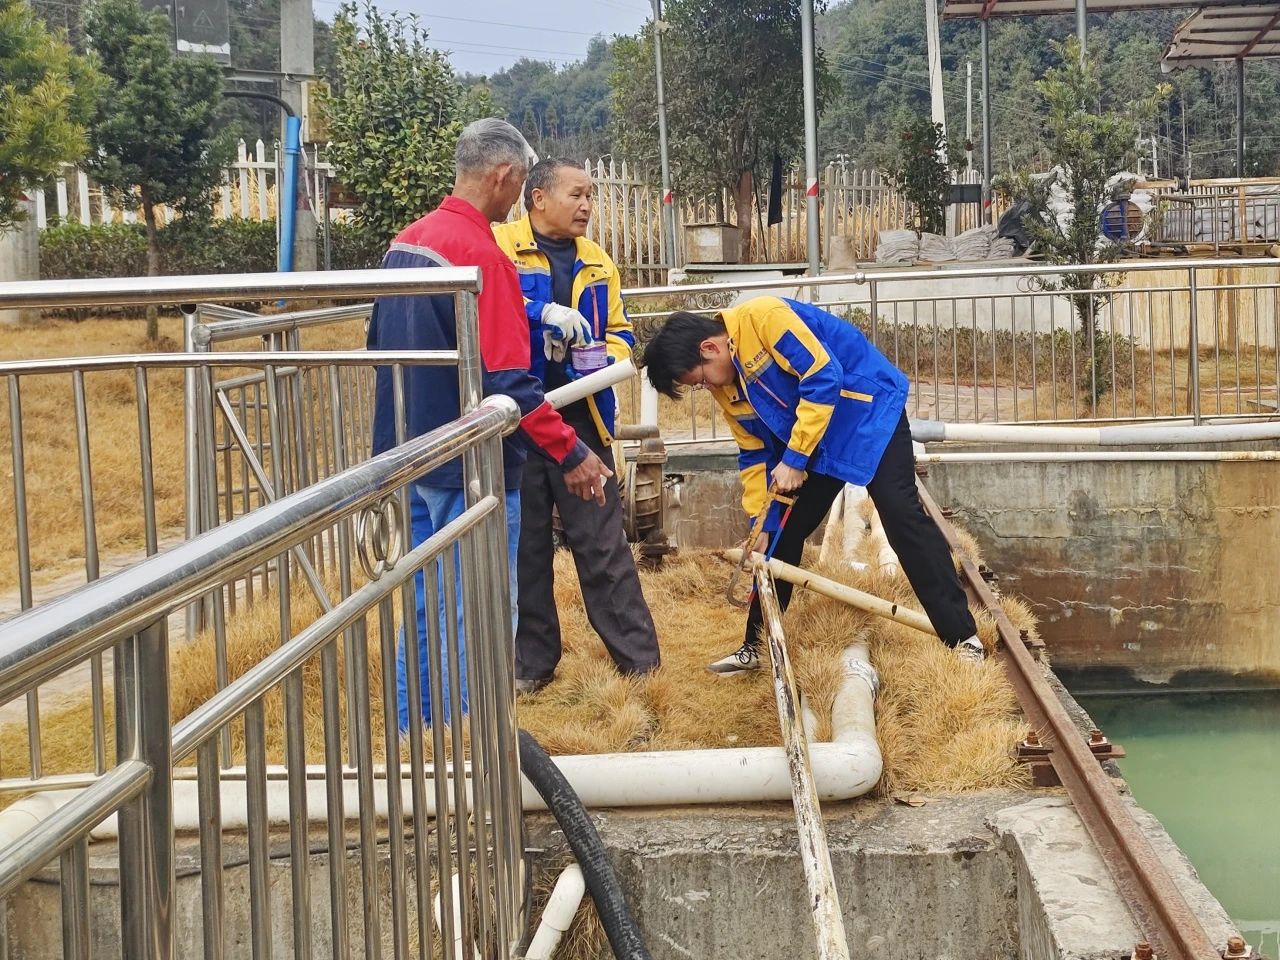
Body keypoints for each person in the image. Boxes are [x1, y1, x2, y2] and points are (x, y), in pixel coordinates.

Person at [367, 120, 613, 730]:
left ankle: (417, 734)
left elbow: (377, 345)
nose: (518, 198)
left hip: (408, 451)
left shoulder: (407, 241)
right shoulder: (484, 256)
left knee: (423, 602)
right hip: (468, 464)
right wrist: (572, 452)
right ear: (504, 175)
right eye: (522, 182)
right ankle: (468, 743)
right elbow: (510, 382)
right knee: (474, 609)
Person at [643, 296, 984, 675]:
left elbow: (823, 377)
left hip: (867, 413)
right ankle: (756, 645)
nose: (707, 388)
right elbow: (753, 453)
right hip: (814, 440)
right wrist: (760, 521)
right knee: (779, 533)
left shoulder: (764, 319)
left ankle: (963, 638)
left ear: (710, 348)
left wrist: (793, 460)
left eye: (701, 380)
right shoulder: (727, 386)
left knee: (900, 514)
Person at [493, 159, 661, 693]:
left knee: (603, 542)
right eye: (576, 194)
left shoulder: (598, 262)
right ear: (538, 197)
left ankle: (640, 664)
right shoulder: (501, 246)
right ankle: (531, 665)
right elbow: (486, 303)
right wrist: (540, 313)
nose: (587, 205)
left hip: (582, 421)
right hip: (517, 420)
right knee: (527, 548)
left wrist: (602, 357)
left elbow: (622, 333)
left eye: (590, 196)